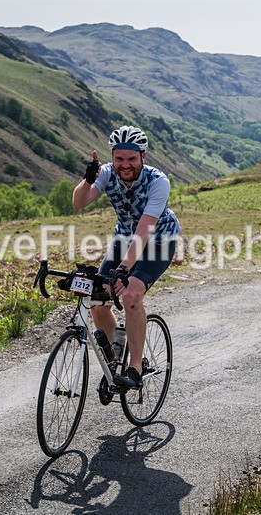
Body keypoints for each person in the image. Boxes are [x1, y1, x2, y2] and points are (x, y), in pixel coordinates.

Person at [72, 125, 180, 390]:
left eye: (132, 158)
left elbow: (144, 231)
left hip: (158, 242)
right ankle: (113, 361)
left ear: (143, 156)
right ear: (112, 157)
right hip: (124, 240)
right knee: (98, 300)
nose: (125, 164)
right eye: (119, 158)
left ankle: (135, 368)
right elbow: (79, 203)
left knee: (131, 295)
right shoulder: (108, 173)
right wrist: (87, 180)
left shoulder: (158, 182)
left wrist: (123, 269)